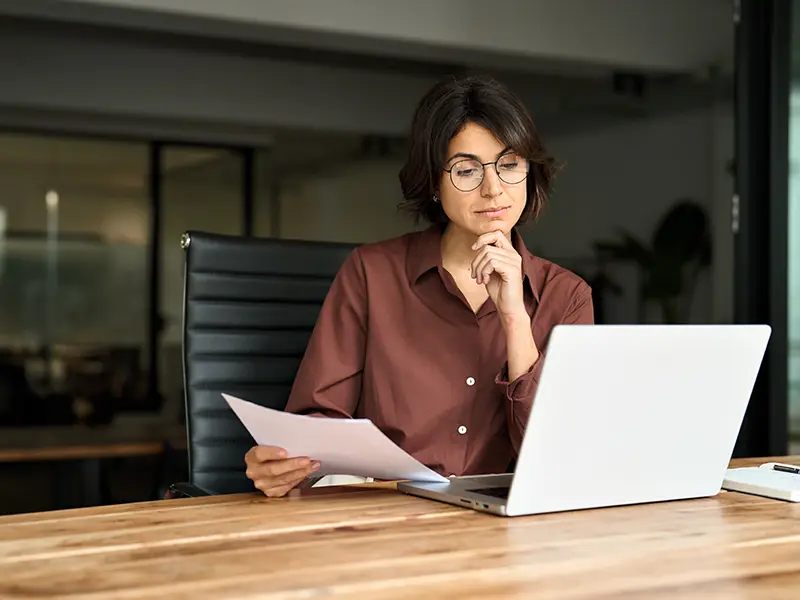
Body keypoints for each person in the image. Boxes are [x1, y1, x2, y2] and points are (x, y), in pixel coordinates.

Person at [245, 73, 594, 497]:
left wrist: (515, 319)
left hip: (504, 527)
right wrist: (287, 463)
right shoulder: (371, 274)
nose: (493, 189)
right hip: (385, 520)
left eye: (509, 165)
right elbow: (319, 420)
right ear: (433, 182)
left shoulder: (568, 297)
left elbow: (561, 456)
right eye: (466, 170)